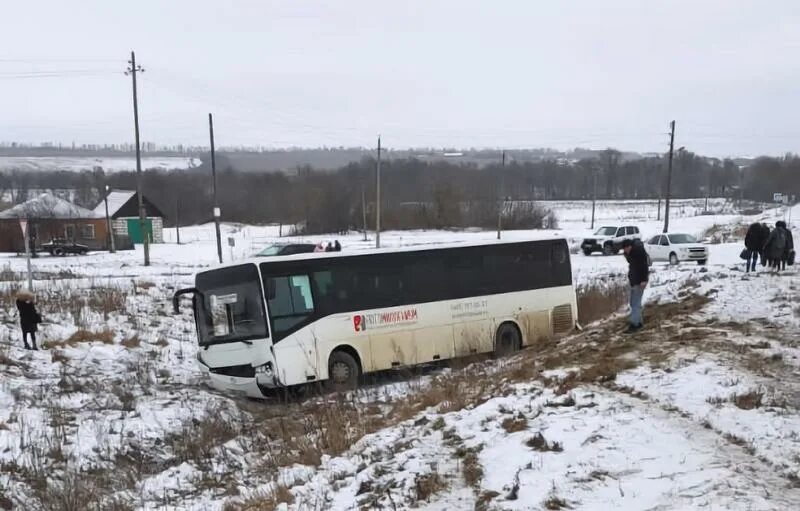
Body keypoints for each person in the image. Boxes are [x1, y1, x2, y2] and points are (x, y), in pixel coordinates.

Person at [622, 238, 649, 333]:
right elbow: (632, 264)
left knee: (635, 303)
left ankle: (634, 325)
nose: (625, 251)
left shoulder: (638, 253)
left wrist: (644, 279)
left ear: (629, 247)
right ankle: (639, 322)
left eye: (625, 249)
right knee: (634, 303)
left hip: (639, 282)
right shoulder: (632, 254)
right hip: (634, 281)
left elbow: (644, 266)